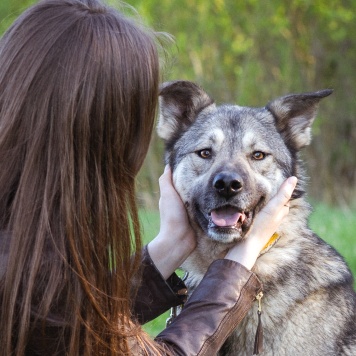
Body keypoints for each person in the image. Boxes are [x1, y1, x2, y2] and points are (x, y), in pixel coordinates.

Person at [0, 0, 297, 355]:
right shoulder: (42, 274)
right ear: (99, 134)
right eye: (138, 116)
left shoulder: (26, 250)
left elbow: (75, 332)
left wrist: (171, 245)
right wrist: (238, 263)